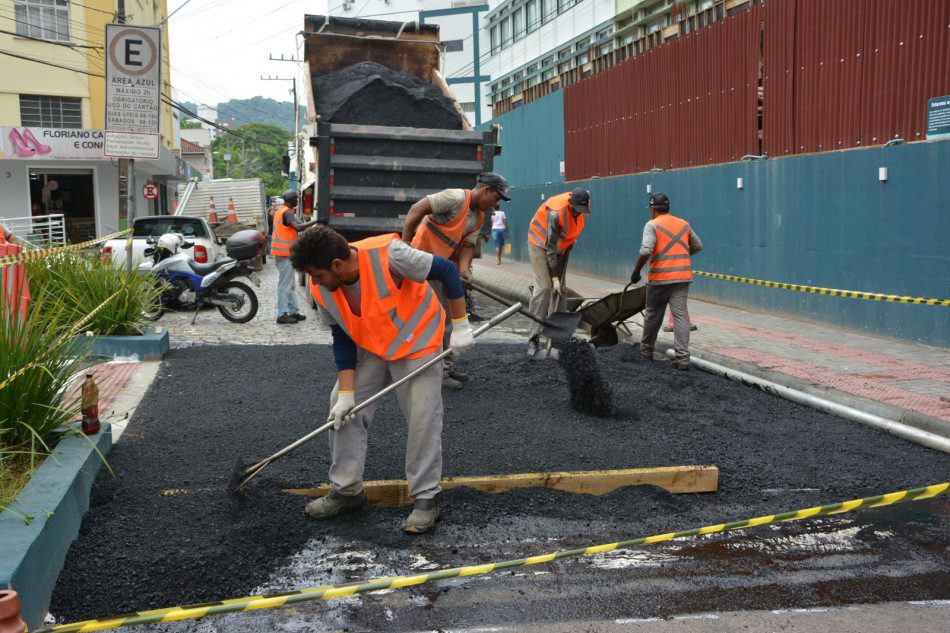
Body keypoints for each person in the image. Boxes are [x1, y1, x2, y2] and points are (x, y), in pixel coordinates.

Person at [291, 224, 475, 534]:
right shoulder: (321, 287)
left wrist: (461, 325)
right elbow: (342, 336)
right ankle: (347, 490)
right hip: (375, 346)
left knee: (422, 417)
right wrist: (349, 393)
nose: (316, 281)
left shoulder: (389, 255)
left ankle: (426, 498)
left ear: (336, 265)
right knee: (341, 406)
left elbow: (445, 269)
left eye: (319, 274)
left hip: (419, 342)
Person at [402, 172, 509, 388]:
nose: (494, 205)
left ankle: (445, 368)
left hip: (443, 268)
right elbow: (417, 209)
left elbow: (467, 246)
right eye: (495, 199)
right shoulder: (455, 198)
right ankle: (431, 371)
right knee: (439, 318)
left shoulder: (478, 217)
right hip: (422, 262)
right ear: (486, 190)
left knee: (451, 315)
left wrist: (464, 272)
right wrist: (404, 246)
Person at [629, 193, 703, 370]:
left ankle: (646, 350)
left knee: (653, 314)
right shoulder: (683, 224)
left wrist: (636, 271)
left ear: (653, 209)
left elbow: (646, 250)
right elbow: (698, 245)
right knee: (681, 316)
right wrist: (680, 257)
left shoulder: (652, 225)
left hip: (660, 279)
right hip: (682, 277)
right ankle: (683, 358)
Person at [525, 188, 590, 357]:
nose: (578, 213)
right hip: (539, 244)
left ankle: (557, 339)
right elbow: (550, 248)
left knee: (559, 291)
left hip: (562, 248)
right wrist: (554, 277)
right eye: (575, 210)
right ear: (570, 204)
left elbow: (570, 234)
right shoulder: (555, 213)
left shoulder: (583, 205)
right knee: (545, 288)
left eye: (581, 211)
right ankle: (533, 338)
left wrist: (558, 282)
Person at [270, 189, 316, 324]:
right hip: (284, 254)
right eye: (296, 199)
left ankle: (293, 311)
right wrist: (317, 220)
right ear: (291, 199)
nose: (297, 201)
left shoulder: (282, 210)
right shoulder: (287, 213)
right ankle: (282, 314)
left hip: (284, 254)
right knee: (285, 285)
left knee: (290, 285)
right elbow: (298, 227)